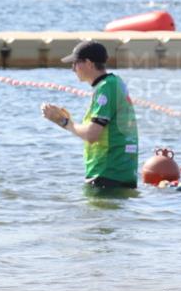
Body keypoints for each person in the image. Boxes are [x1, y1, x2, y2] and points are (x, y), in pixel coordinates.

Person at [40, 40, 138, 189]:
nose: (73, 69)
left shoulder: (106, 87)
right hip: (121, 173)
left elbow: (92, 135)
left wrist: (64, 122)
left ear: (89, 63)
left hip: (107, 175)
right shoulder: (114, 82)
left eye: (75, 63)